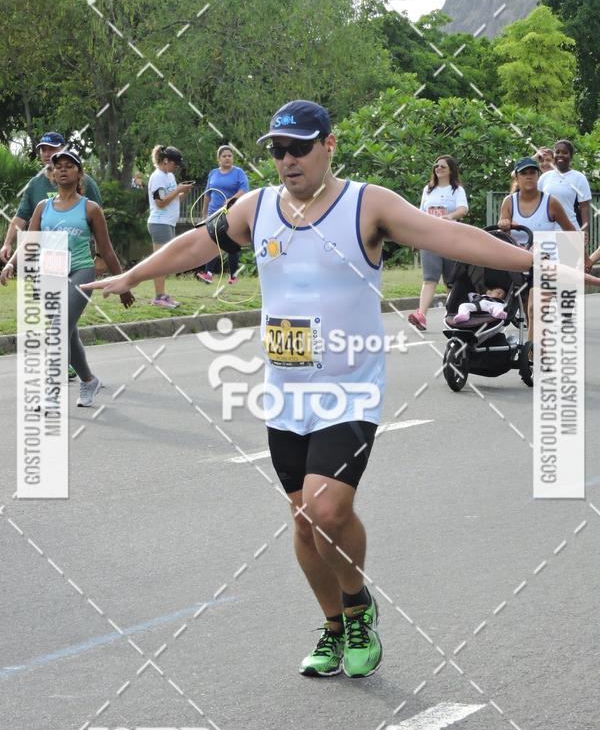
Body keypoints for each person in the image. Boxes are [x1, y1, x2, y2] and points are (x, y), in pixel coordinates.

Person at [83, 100, 580, 680]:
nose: (287, 160)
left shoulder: (366, 205)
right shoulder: (257, 207)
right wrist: (133, 274)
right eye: (277, 149)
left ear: (329, 145)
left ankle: (359, 605)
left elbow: (451, 237)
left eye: (299, 147)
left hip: (351, 386)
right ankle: (333, 625)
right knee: (302, 520)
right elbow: (197, 244)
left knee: (327, 508)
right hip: (287, 388)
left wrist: (539, 263)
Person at [1, 150, 134, 407]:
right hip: (50, 271)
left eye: (69, 166)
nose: (62, 170)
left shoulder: (90, 208)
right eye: (57, 167)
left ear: (79, 173)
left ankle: (51, 392)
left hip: (80, 270)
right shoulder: (43, 207)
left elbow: (106, 250)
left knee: (59, 327)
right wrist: (10, 264)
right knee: (68, 333)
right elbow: (29, 243)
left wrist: (123, 283)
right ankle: (88, 380)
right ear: (52, 174)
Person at [498, 156, 590, 341]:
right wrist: (504, 223)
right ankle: (534, 349)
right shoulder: (509, 202)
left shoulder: (551, 202)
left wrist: (585, 258)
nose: (529, 177)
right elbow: (501, 226)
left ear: (538, 176)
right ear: (517, 177)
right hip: (517, 262)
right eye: (524, 173)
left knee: (534, 309)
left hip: (544, 261)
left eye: (532, 172)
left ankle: (534, 354)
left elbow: (570, 232)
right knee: (527, 311)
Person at [0, 132, 103, 263]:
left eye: (52, 149)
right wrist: (7, 243)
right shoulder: (34, 184)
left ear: (64, 149)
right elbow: (21, 217)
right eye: (44, 150)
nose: (47, 154)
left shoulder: (85, 182)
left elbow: (99, 223)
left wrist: (100, 257)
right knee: (40, 284)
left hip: (76, 258)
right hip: (41, 258)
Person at [408, 155, 469, 331]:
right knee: (429, 279)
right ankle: (421, 315)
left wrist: (450, 216)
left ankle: (452, 315)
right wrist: (415, 236)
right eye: (436, 165)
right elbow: (420, 212)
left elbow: (463, 209)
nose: (438, 168)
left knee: (451, 280)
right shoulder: (428, 189)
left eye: (443, 166)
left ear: (451, 169)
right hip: (429, 238)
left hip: (450, 238)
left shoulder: (456, 190)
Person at [147, 145, 193, 308]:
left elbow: (174, 199)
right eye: (175, 164)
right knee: (161, 260)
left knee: (165, 261)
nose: (176, 167)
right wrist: (178, 189)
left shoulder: (169, 177)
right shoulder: (157, 176)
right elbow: (160, 202)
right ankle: (159, 296)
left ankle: (162, 295)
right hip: (159, 222)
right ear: (166, 161)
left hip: (168, 223)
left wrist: (183, 192)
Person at [196, 145, 249, 285]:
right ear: (219, 159)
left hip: (232, 212)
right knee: (212, 242)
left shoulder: (238, 172)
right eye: (224, 156)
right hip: (214, 212)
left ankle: (233, 276)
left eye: (230, 156)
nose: (227, 158)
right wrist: (204, 213)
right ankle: (208, 274)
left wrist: (231, 199)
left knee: (231, 242)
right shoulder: (213, 173)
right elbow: (207, 194)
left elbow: (244, 189)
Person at [538, 140, 592, 249]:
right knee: (546, 266)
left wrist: (585, 230)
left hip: (569, 232)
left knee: (568, 266)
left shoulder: (579, 178)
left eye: (565, 152)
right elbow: (536, 203)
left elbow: (584, 207)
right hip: (545, 232)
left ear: (571, 156)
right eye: (557, 152)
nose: (560, 155)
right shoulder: (544, 177)